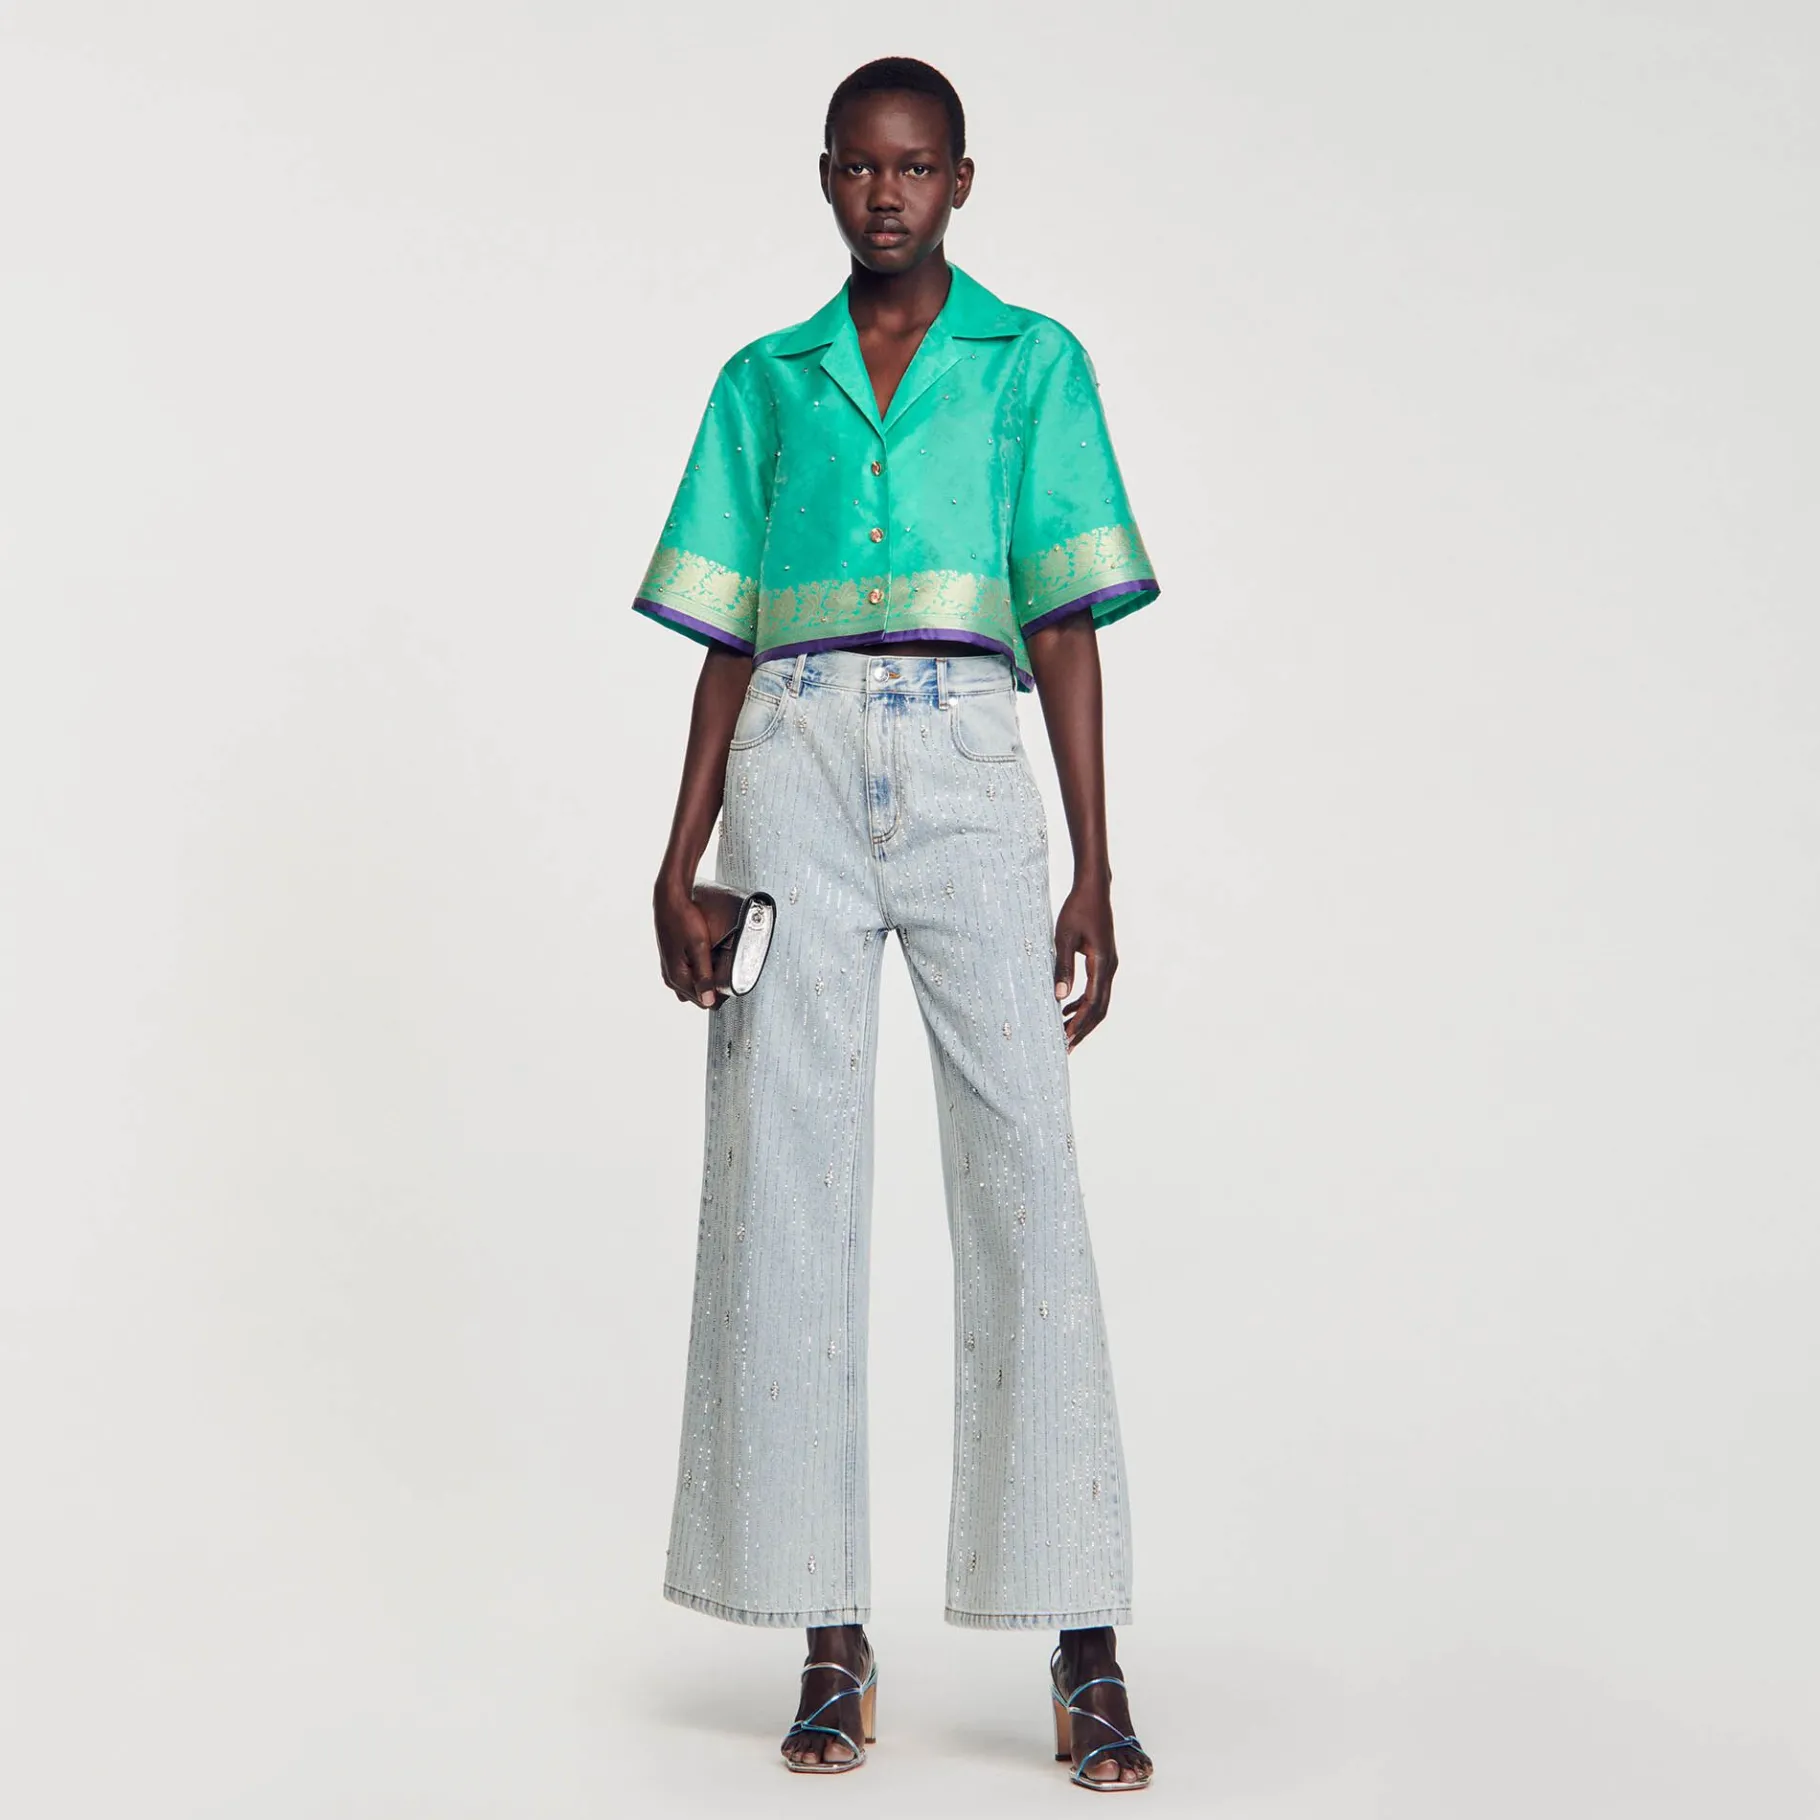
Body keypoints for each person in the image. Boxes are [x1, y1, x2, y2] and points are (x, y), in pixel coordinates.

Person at [635, 55, 1159, 1790]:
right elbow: (728, 635)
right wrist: (679, 852)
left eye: (917, 168)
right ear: (826, 177)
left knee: (1025, 1179)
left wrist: (1092, 865)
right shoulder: (764, 382)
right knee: (784, 1195)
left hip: (965, 769)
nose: (888, 194)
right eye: (862, 167)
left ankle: (1083, 1640)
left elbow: (1064, 622)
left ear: (961, 182)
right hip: (789, 768)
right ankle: (827, 1635)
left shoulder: (1031, 365)